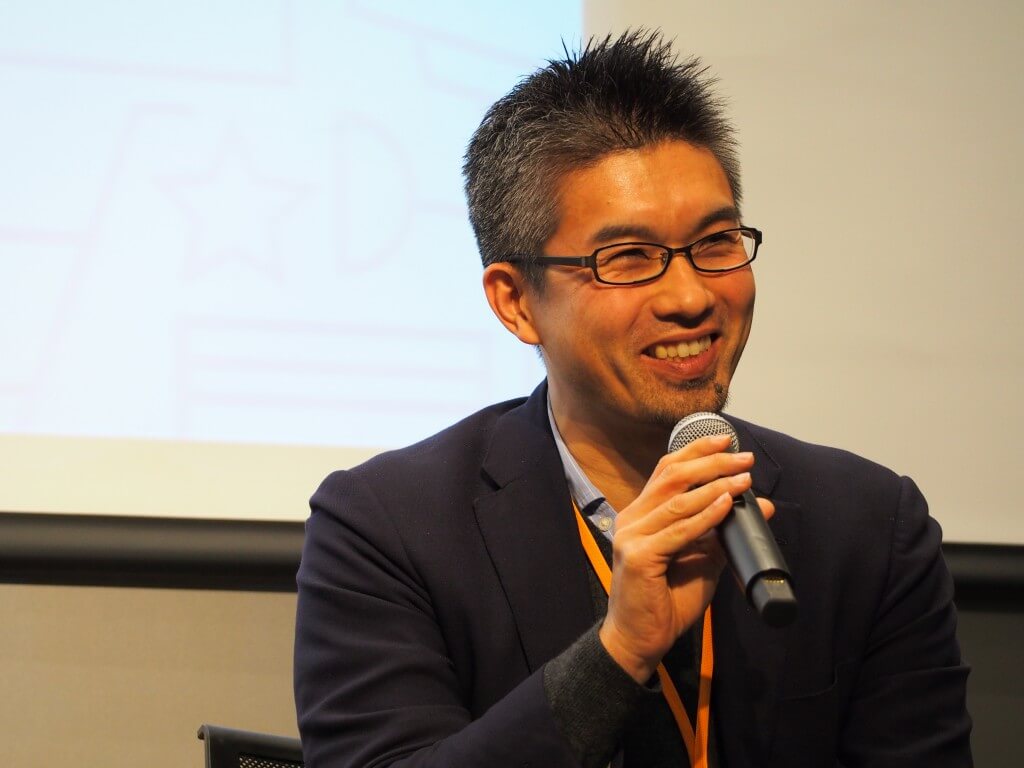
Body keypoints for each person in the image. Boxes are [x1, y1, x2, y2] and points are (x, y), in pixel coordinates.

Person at [293, 31, 972, 767]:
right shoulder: (387, 529)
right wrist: (618, 650)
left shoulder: (869, 526)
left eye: (716, 242)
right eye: (628, 258)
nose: (690, 296)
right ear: (516, 301)